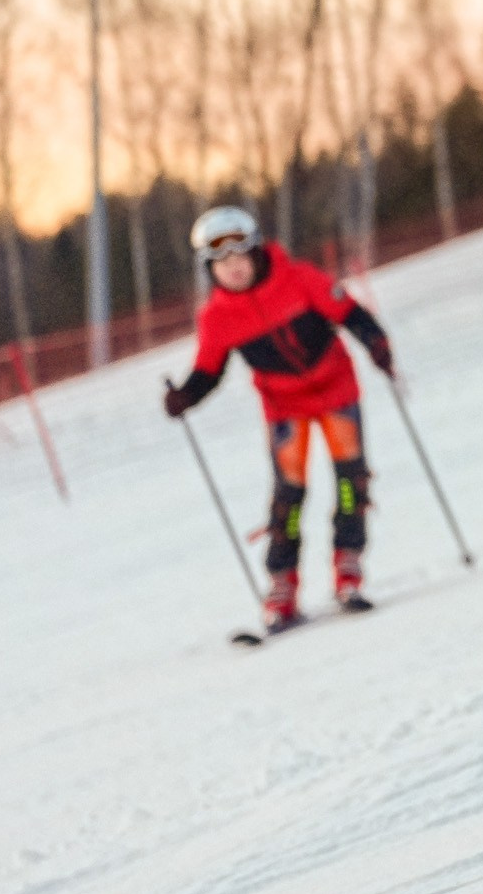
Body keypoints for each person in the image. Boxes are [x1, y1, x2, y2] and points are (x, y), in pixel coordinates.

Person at [163, 207, 396, 633]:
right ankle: (282, 585)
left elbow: (349, 312)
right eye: (221, 264)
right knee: (289, 494)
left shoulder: (298, 278)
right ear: (210, 269)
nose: (233, 269)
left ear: (255, 253)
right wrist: (184, 396)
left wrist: (376, 344)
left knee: (351, 480)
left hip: (335, 389)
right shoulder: (217, 316)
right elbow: (209, 371)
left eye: (240, 258)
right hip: (284, 406)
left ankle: (348, 567)